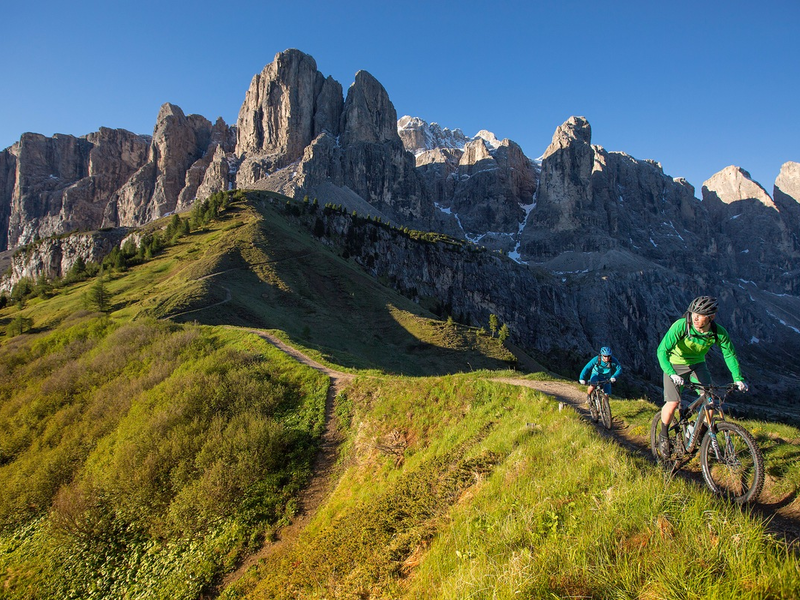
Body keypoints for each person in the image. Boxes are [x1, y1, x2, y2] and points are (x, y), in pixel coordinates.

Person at [655, 295, 748, 458]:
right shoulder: (681, 326)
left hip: (698, 364)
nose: (695, 318)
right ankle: (663, 435)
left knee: (710, 401)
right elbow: (662, 351)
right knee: (673, 402)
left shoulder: (718, 332)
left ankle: (702, 437)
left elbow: (729, 354)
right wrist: (671, 372)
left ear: (711, 317)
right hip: (675, 365)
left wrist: (738, 378)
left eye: (700, 315)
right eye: (693, 313)